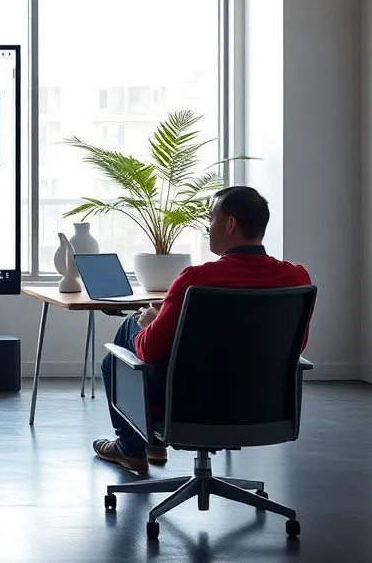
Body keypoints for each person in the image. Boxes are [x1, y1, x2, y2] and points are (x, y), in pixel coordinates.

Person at [94, 186, 313, 474]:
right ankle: (151, 446)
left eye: (211, 218)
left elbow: (148, 351)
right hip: (262, 407)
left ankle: (131, 449)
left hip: (187, 407)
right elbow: (296, 346)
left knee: (123, 341)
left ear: (230, 224)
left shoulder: (196, 279)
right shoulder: (296, 277)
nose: (207, 227)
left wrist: (150, 323)